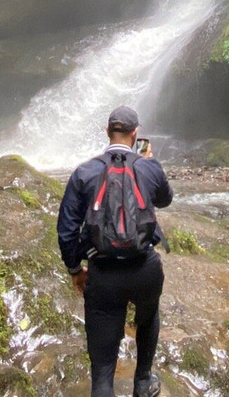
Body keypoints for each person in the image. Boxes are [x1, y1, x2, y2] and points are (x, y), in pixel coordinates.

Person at [56, 105, 173, 397]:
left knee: (103, 368)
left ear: (108, 132)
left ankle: (104, 387)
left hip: (103, 272)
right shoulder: (148, 167)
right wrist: (152, 163)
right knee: (148, 316)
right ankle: (143, 381)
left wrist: (75, 270)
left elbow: (67, 229)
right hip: (144, 268)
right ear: (136, 135)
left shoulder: (85, 171)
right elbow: (165, 199)